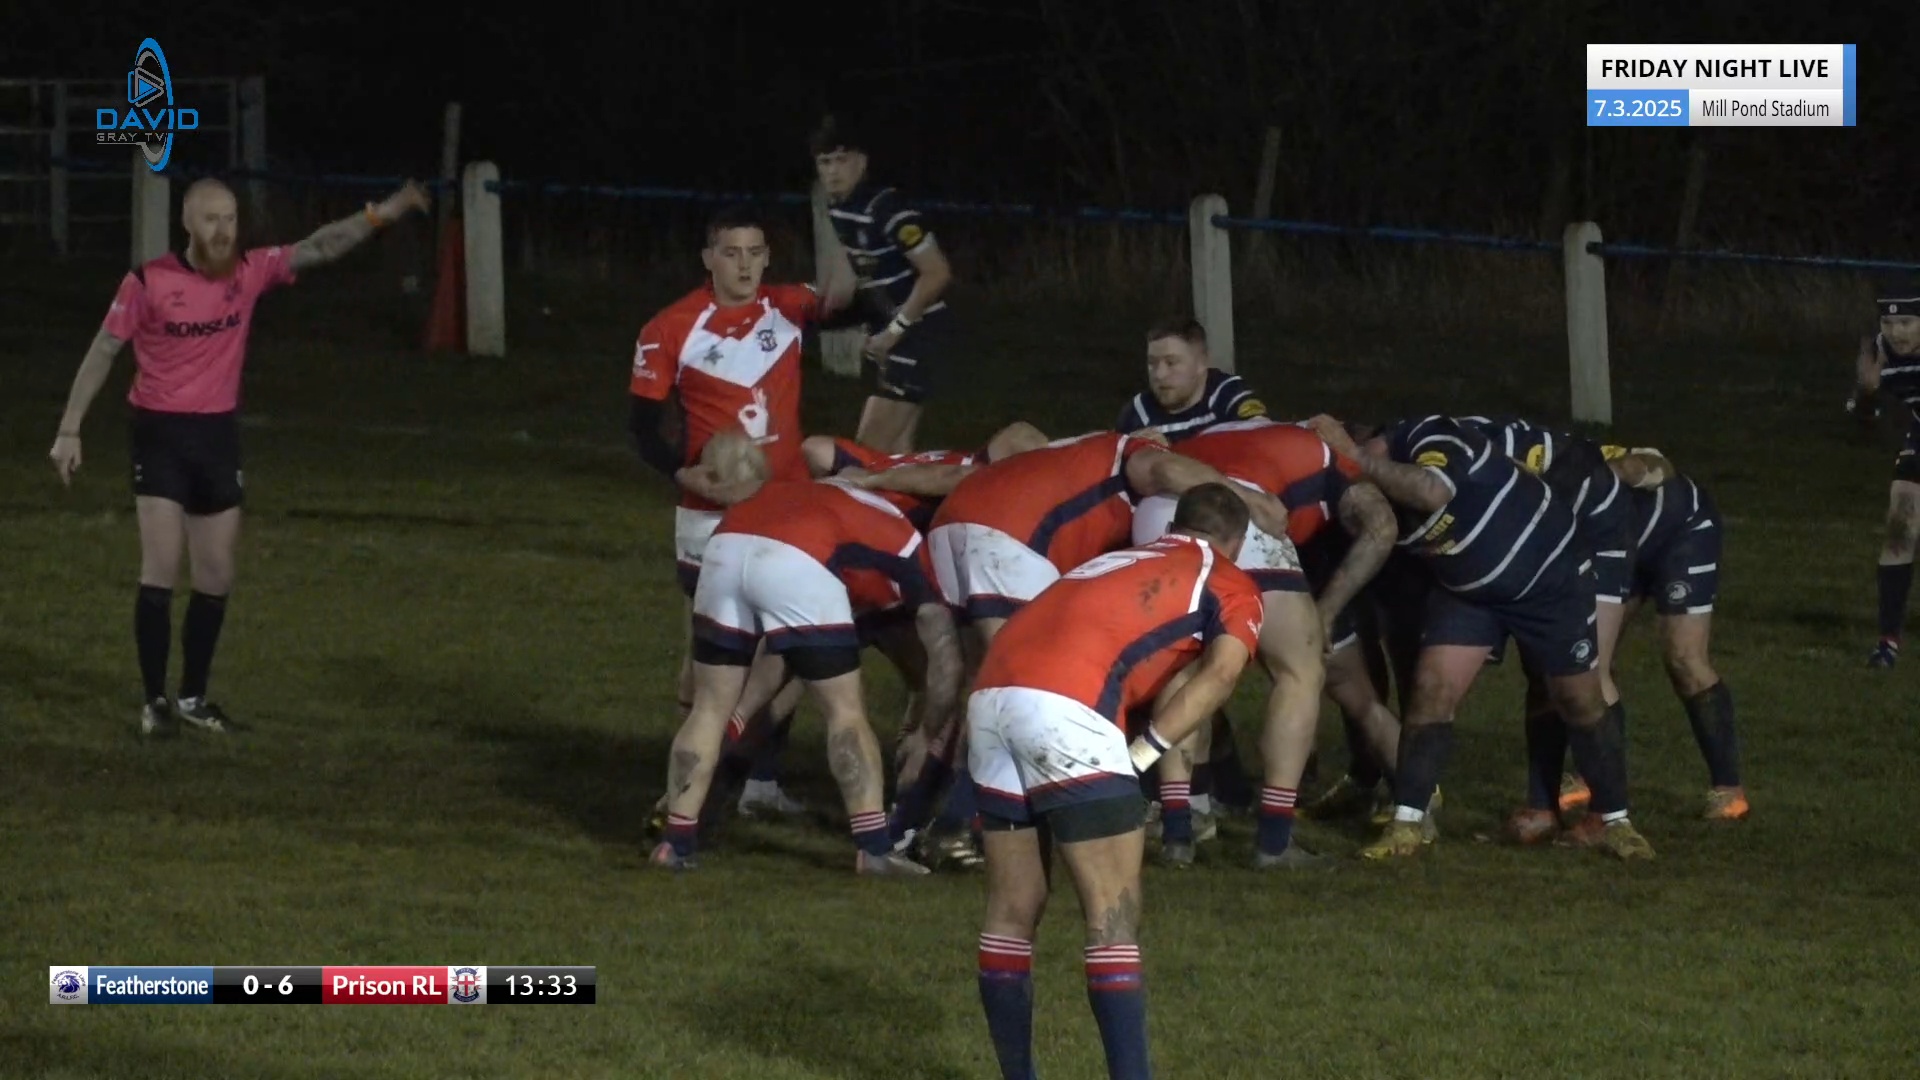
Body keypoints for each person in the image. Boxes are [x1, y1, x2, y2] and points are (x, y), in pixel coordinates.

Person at [49, 177, 430, 737]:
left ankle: (192, 697)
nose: (223, 230)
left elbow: (321, 246)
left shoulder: (250, 272)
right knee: (161, 566)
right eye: (211, 219)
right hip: (160, 434)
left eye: (230, 218)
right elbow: (105, 348)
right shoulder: (149, 282)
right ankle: (155, 702)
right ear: (187, 224)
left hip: (217, 437)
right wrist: (70, 428)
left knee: (216, 574)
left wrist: (383, 213)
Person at [969, 483, 1265, 1080]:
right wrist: (1145, 752)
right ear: (1237, 542)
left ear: (1173, 527)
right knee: (1113, 918)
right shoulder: (1226, 577)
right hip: (1068, 704)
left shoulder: (1114, 559)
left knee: (1012, 907)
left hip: (990, 695)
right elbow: (1221, 674)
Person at [1305, 414, 1653, 860]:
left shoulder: (1430, 433)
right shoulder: (1366, 491)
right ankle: (1409, 823)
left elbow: (1433, 491)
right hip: (1470, 594)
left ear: (1376, 438)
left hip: (1551, 582)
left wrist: (1354, 456)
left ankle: (1614, 820)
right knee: (1432, 689)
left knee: (1579, 698)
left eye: (1353, 455)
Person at [649, 435, 963, 875]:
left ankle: (675, 841)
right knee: (845, 712)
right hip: (798, 555)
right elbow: (942, 648)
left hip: (727, 542)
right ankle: (873, 849)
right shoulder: (906, 539)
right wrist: (928, 729)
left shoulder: (831, 492)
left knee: (710, 707)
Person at [628, 204, 827, 818]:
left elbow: (861, 302)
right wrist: (683, 473)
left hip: (787, 507)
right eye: (731, 252)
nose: (744, 265)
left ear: (767, 259)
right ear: (708, 258)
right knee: (707, 653)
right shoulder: (670, 327)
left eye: (755, 253)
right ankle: (685, 786)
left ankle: (760, 782)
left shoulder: (789, 308)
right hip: (709, 515)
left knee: (789, 647)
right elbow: (642, 428)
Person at [1129, 418, 1397, 867]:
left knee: (1184, 671)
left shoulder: (1202, 437)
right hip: (1241, 513)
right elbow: (1381, 527)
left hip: (1159, 513)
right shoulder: (1327, 454)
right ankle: (1274, 839)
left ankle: (1178, 830)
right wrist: (1327, 609)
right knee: (1299, 671)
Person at [812, 114, 956, 454]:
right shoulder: (839, 208)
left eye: (841, 160)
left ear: (862, 162)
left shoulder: (888, 209)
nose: (832, 171)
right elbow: (864, 275)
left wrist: (894, 331)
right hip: (895, 335)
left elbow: (937, 273)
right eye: (825, 162)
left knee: (864, 456)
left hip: (920, 332)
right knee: (897, 455)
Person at [1850, 284, 1920, 667]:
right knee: (1899, 531)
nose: (1897, 332)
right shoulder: (1880, 352)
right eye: (1889, 323)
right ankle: (1887, 642)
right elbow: (1860, 423)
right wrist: (1866, 394)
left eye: (1907, 322)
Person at [1115, 318, 1268, 442]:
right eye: (1152, 363)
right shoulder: (1137, 413)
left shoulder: (1229, 394)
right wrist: (1130, 450)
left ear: (1202, 363)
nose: (1159, 375)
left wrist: (1167, 455)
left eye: (1171, 363)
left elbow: (1263, 441)